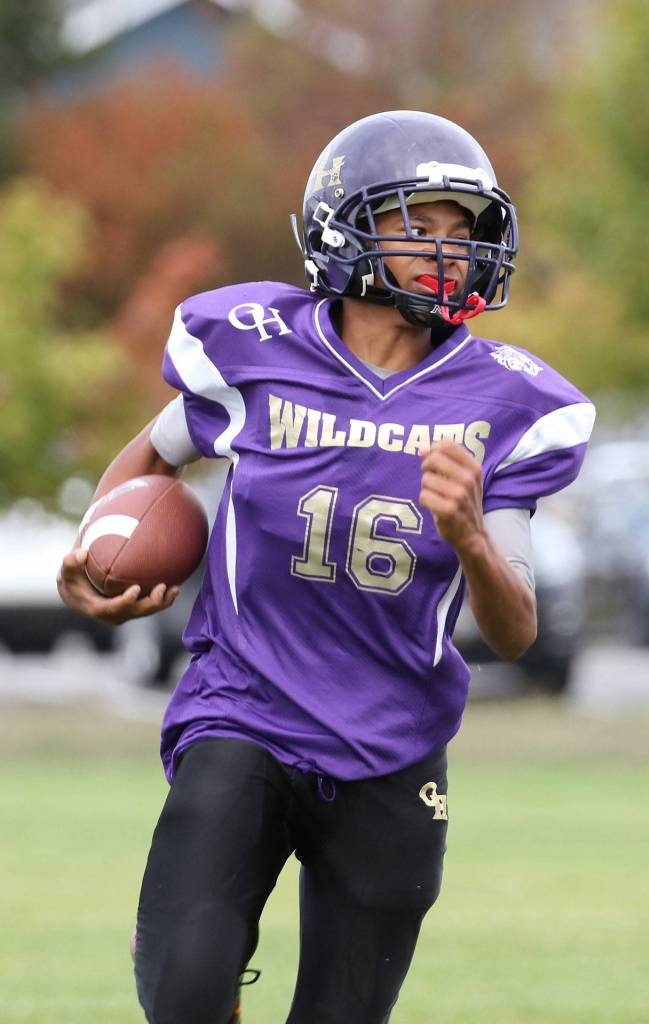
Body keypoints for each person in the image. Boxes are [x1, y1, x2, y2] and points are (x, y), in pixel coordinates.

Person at [57, 110, 595, 1024]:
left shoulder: (510, 399)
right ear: (342, 227)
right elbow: (148, 462)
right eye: (417, 225)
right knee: (186, 992)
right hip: (244, 705)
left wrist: (469, 534)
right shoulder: (254, 343)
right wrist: (96, 560)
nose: (445, 251)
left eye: (460, 231)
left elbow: (515, 629)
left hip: (391, 735)